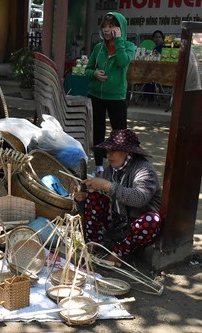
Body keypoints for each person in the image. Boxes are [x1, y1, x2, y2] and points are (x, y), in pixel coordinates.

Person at [74, 129, 162, 266]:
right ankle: (93, 244)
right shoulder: (111, 170)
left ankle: (117, 255)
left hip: (137, 228)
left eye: (114, 151)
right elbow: (102, 198)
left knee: (152, 220)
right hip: (117, 224)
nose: (109, 156)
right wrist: (83, 196)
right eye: (108, 151)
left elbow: (139, 198)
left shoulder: (144, 170)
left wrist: (108, 186)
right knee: (92, 198)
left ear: (129, 152)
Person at [85, 12, 136, 176]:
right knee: (98, 131)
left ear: (120, 28)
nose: (107, 30)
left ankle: (121, 167)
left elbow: (122, 62)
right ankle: (99, 166)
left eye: (112, 26)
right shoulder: (98, 48)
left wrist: (119, 40)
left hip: (116, 97)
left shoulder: (128, 46)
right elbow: (87, 69)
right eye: (104, 26)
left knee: (119, 132)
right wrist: (94, 74)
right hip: (96, 95)